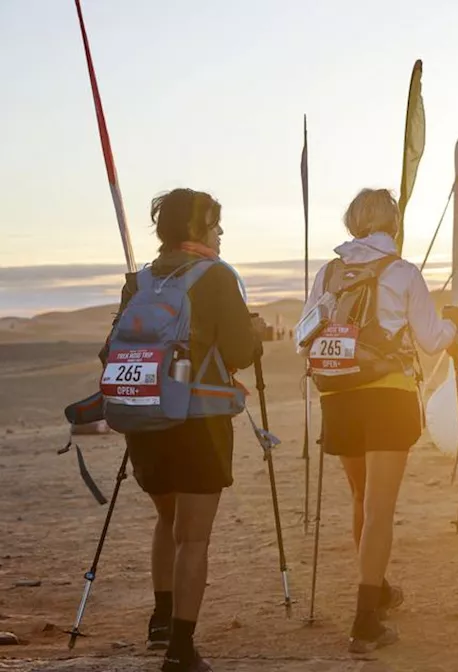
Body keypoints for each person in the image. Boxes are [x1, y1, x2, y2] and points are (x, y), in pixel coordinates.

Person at [100, 189, 265, 672]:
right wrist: (253, 336)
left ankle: (161, 620)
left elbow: (110, 348)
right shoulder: (216, 277)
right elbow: (237, 351)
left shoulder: (140, 281)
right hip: (200, 423)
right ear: (197, 228)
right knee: (193, 538)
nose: (220, 232)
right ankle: (181, 650)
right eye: (215, 223)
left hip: (145, 419)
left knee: (167, 521)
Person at [299, 188, 458, 653]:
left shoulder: (329, 271)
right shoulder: (403, 273)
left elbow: (306, 330)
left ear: (352, 223)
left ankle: (380, 589)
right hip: (388, 395)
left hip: (340, 395)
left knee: (360, 497)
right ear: (393, 224)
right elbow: (432, 340)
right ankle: (366, 620)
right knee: (380, 507)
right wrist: (454, 324)